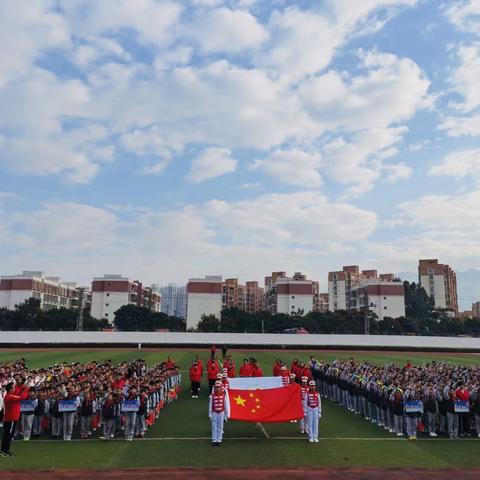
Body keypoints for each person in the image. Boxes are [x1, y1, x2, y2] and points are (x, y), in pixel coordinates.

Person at [1, 382, 29, 457]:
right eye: (13, 387)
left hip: (9, 419)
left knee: (7, 435)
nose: (15, 388)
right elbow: (22, 397)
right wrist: (26, 389)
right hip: (11, 419)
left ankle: (4, 450)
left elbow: (18, 393)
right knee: (9, 436)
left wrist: (22, 388)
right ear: (10, 389)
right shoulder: (10, 397)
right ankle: (5, 451)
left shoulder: (9, 396)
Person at [208, 381, 230, 446]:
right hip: (214, 412)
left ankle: (219, 440)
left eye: (219, 387)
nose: (217, 388)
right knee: (214, 426)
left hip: (221, 412)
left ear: (221, 388)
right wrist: (210, 414)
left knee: (220, 426)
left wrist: (226, 415)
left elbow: (226, 406)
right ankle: (214, 440)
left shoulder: (224, 396)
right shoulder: (212, 396)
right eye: (216, 387)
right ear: (215, 388)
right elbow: (210, 405)